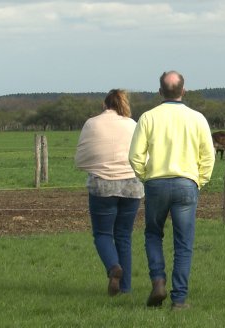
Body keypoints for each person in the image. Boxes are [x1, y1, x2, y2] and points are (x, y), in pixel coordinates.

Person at [129, 71, 215, 310]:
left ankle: (158, 281)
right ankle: (179, 299)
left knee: (154, 234)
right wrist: (200, 180)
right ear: (183, 91)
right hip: (187, 183)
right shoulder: (197, 118)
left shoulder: (148, 117)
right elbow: (208, 155)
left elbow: (135, 156)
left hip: (156, 182)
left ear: (160, 92)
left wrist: (146, 177)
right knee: (183, 243)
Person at [75, 89, 144, 296]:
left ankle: (113, 267)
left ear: (104, 105)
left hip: (102, 185)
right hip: (132, 185)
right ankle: (126, 289)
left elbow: (82, 157)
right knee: (124, 236)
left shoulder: (92, 123)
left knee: (103, 234)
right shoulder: (133, 124)